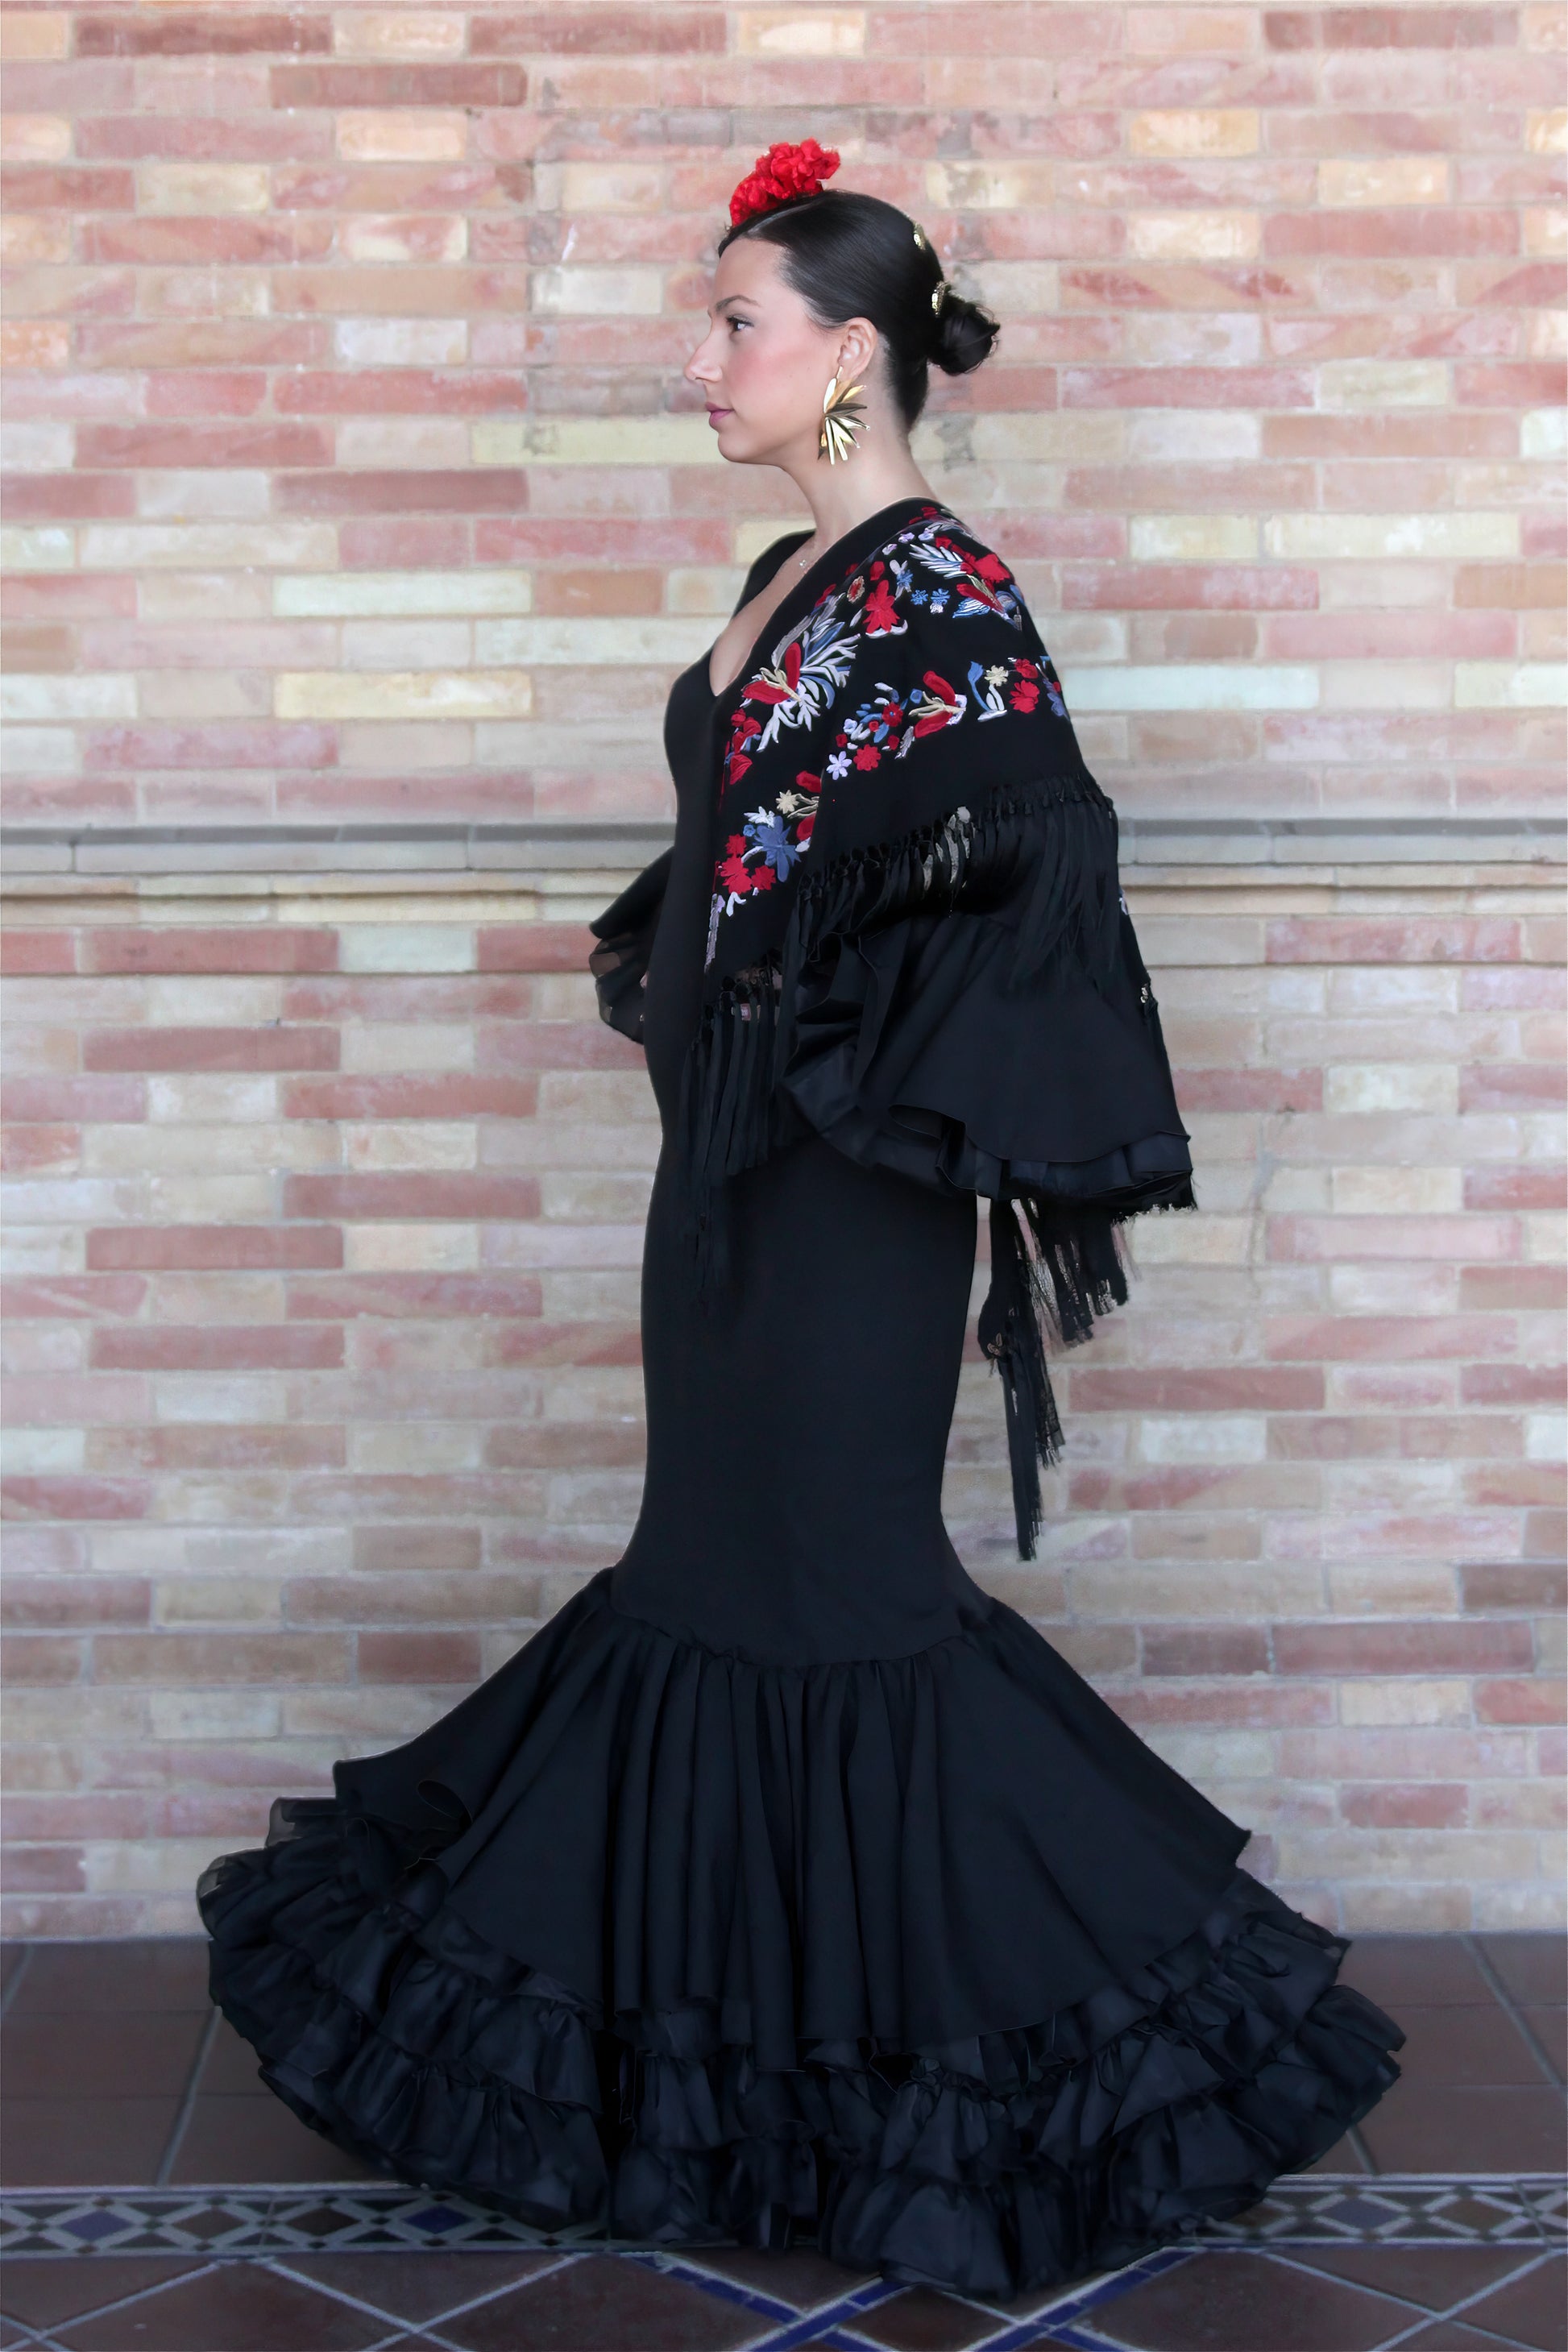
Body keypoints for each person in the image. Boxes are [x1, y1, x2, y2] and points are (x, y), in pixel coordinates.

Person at [198, 141, 1402, 2300]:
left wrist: (814, 1039)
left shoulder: (942, 593)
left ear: (848, 351)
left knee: (839, 1594)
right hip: (727, 1195)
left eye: (733, 320)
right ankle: (752, 2075)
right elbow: (773, 836)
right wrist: (706, 974)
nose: (701, 360)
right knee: (715, 1579)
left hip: (841, 1206)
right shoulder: (794, 572)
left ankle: (1092, 2046)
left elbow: (1029, 864)